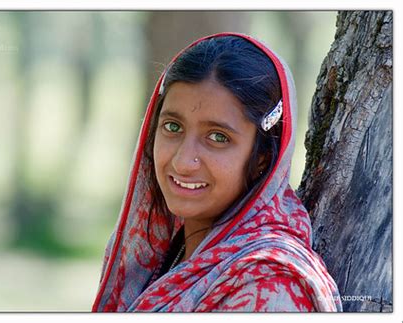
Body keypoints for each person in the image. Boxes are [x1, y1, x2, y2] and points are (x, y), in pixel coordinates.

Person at [92, 32, 342, 312]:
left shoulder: (269, 286)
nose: (183, 162)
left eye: (218, 137)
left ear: (262, 157)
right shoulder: (167, 259)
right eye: (173, 127)